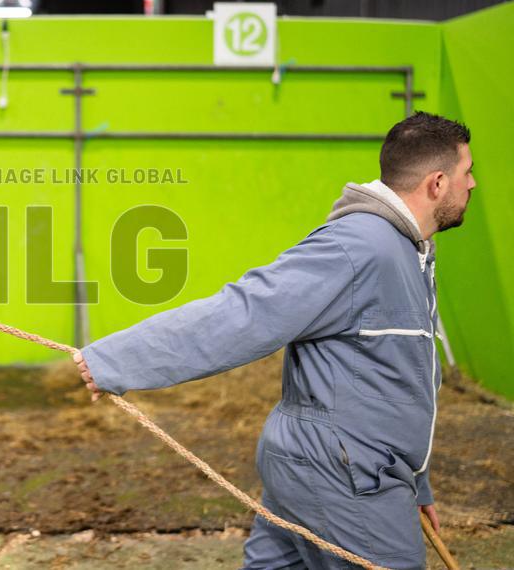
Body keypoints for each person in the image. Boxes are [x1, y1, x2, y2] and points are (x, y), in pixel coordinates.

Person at [74, 112, 475, 569]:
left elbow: (405, 379)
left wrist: (415, 482)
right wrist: (115, 360)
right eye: (468, 172)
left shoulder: (411, 252)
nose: (474, 184)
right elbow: (245, 313)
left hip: (335, 468)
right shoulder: (360, 247)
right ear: (438, 183)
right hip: (344, 478)